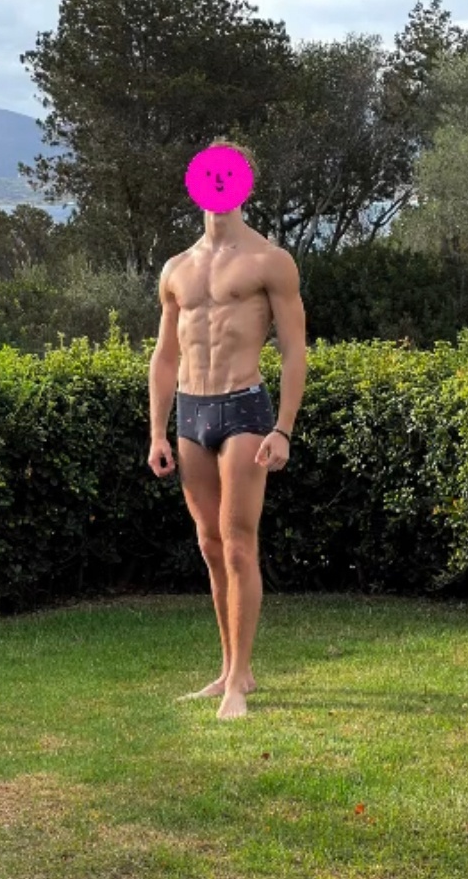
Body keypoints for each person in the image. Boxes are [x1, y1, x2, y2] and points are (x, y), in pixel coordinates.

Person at [148, 139, 307, 720]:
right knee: (210, 545)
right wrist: (157, 432)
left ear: (244, 183)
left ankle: (241, 679)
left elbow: (294, 351)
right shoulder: (177, 268)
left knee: (239, 542)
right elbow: (166, 355)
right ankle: (227, 670)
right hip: (191, 412)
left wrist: (283, 428)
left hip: (244, 408)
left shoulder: (270, 261)